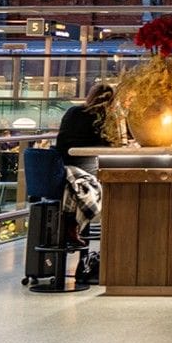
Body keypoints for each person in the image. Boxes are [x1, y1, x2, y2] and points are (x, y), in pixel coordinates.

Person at [53, 82, 112, 245]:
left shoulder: (73, 111)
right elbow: (107, 143)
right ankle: (109, 226)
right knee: (104, 180)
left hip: (62, 166)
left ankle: (73, 226)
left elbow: (62, 142)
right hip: (81, 167)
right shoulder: (100, 117)